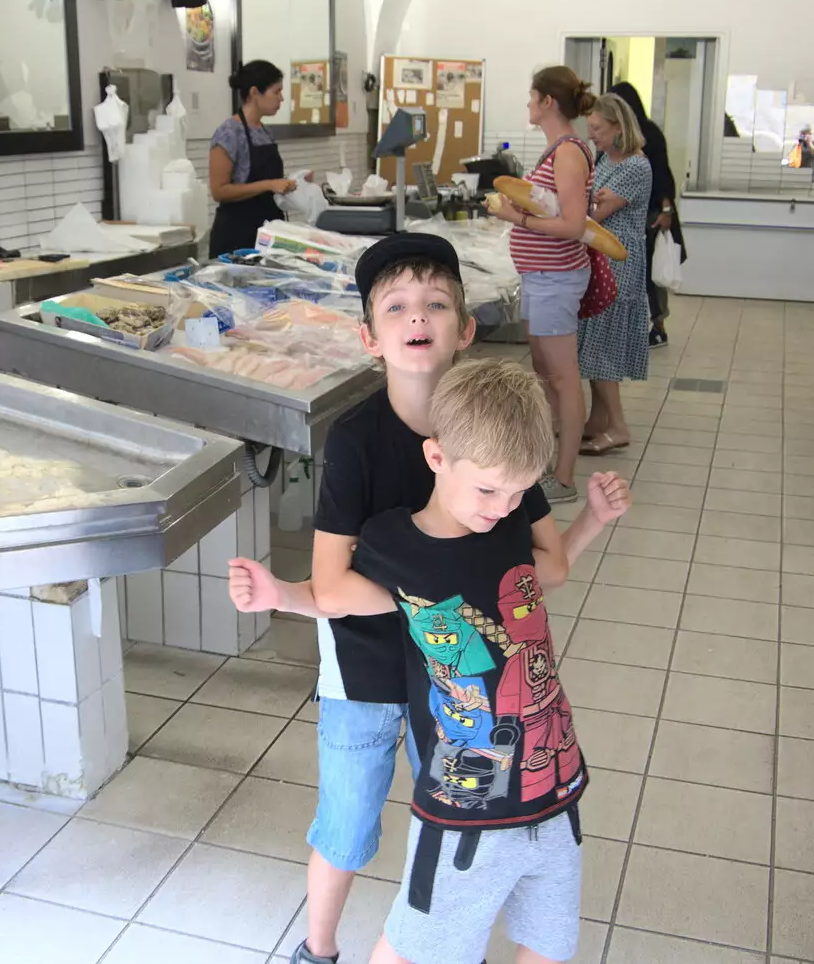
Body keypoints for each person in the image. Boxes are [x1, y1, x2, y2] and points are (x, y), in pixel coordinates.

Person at [224, 232, 622, 964]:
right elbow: (336, 581)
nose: (418, 317)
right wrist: (425, 599)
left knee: (448, 814)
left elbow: (542, 561)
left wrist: (588, 521)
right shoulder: (355, 441)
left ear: (465, 330)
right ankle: (317, 948)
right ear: (369, 335)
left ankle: (427, 929)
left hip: (455, 681)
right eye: (398, 306)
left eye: (437, 303)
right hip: (369, 668)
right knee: (347, 823)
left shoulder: (495, 431)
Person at [486, 66, 596, 503]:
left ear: (548, 101)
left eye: (532, 97)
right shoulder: (557, 149)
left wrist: (518, 218)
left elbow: (572, 225)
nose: (528, 104)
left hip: (557, 279)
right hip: (541, 277)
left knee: (563, 378)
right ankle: (547, 462)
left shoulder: (568, 151)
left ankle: (564, 479)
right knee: (546, 374)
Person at [580, 93, 653, 454]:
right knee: (592, 341)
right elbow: (593, 201)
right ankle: (597, 419)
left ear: (618, 126)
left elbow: (597, 212)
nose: (592, 135)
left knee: (604, 344)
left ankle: (619, 426)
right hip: (599, 258)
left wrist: (589, 203)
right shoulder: (603, 158)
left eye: (597, 129)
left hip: (619, 261)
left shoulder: (636, 166)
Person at [609, 82, 685, 349]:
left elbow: (663, 175)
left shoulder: (648, 134)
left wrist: (666, 211)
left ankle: (658, 327)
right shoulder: (616, 137)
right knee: (635, 274)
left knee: (649, 274)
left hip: (651, 213)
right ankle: (638, 325)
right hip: (632, 214)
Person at [208, 60, 295, 256]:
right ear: (255, 93)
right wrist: (268, 184)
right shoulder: (228, 133)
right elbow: (219, 191)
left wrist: (287, 185)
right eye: (276, 91)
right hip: (237, 236)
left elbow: (269, 183)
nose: (281, 98)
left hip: (268, 233)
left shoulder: (265, 131)